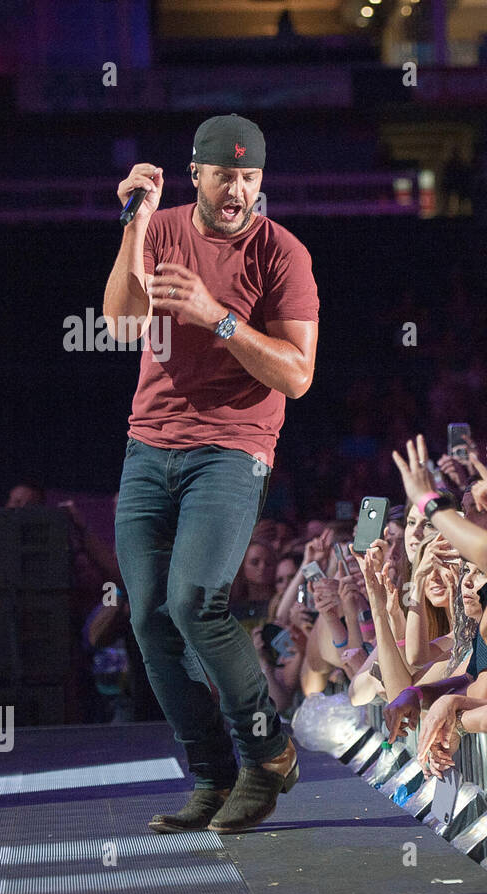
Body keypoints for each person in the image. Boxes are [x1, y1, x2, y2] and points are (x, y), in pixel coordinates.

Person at [104, 114, 320, 834]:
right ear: (194, 175)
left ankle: (268, 754)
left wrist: (217, 317)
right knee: (147, 618)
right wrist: (134, 222)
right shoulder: (160, 228)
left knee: (195, 601)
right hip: (147, 447)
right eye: (224, 175)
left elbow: (297, 376)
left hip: (232, 449)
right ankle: (212, 774)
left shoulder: (282, 254)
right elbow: (122, 325)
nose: (237, 190)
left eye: (250, 177)